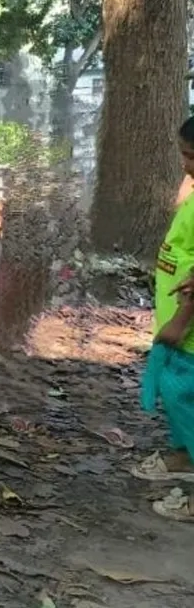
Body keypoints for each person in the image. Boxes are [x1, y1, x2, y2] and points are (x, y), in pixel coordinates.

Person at [130, 116, 194, 520]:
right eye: (184, 155)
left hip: (187, 330)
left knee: (186, 399)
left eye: (191, 157)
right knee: (180, 402)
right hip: (179, 324)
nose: (186, 165)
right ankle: (186, 455)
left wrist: (182, 319)